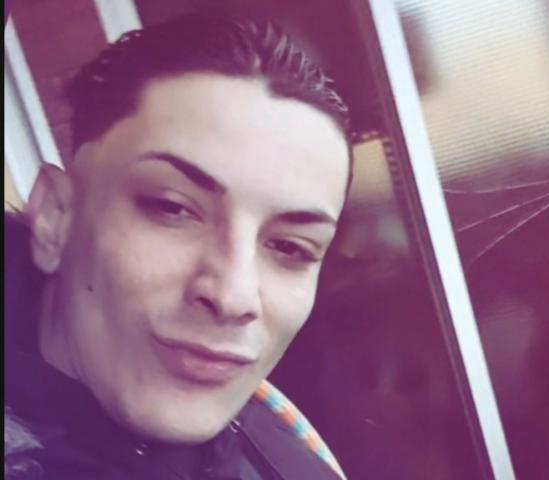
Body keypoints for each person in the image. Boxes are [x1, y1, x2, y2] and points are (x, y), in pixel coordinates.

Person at [5, 11, 352, 480]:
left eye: (291, 248)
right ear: (55, 218)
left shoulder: (284, 453)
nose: (232, 296)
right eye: (171, 208)